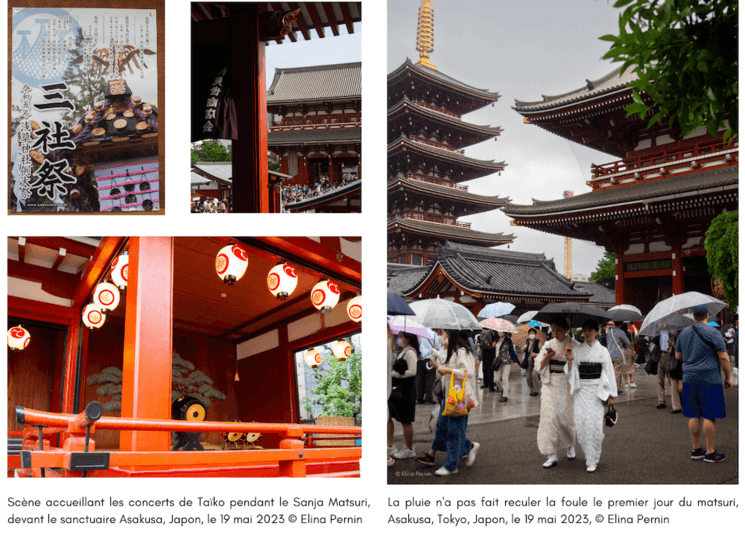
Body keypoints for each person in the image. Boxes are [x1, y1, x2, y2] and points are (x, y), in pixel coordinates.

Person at [415, 329, 479, 476]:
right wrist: (439, 364)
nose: (440, 335)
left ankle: (451, 466)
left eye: (442, 332)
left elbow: (467, 373)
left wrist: (447, 370)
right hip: (448, 396)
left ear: (451, 334)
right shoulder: (452, 351)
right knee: (442, 427)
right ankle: (469, 446)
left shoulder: (462, 351)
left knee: (454, 431)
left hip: (459, 398)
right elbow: (447, 370)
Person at [675, 305, 732, 463]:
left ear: (693, 315)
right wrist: (728, 377)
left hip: (689, 379)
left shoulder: (684, 333)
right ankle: (710, 452)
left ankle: (695, 449)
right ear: (707, 315)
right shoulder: (713, 332)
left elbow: (678, 355)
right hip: (710, 379)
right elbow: (724, 357)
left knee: (693, 414)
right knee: (709, 415)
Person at [565, 319, 617, 472]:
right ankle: (588, 453)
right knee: (581, 424)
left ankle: (592, 459)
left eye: (590, 330)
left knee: (594, 426)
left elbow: (609, 373)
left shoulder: (603, 351)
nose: (587, 333)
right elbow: (569, 371)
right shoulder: (577, 350)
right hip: (581, 391)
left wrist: (611, 395)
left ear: (596, 331)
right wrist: (569, 358)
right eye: (585, 330)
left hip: (597, 392)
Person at [536, 316, 579, 468]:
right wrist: (547, 357)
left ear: (566, 329)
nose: (554, 333)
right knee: (549, 419)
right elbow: (539, 366)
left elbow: (578, 370)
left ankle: (570, 444)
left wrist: (570, 358)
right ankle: (551, 454)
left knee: (565, 419)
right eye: (552, 329)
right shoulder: (548, 344)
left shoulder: (574, 345)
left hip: (566, 385)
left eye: (558, 330)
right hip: (549, 383)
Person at [388, 331, 419, 460]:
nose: (398, 339)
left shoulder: (410, 352)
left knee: (406, 420)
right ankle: (389, 445)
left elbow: (412, 372)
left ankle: (409, 448)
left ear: (407, 339)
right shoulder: (402, 351)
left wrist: (394, 374)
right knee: (388, 416)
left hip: (406, 390)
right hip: (397, 390)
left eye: (401, 336)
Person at [654, 328, 681, 412]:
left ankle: (678, 401)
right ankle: (661, 401)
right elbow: (655, 341)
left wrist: (672, 345)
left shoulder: (672, 331)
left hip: (669, 356)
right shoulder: (658, 332)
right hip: (660, 355)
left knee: (672, 380)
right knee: (660, 380)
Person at [607, 321, 634, 392]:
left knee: (611, 372)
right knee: (617, 372)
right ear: (621, 324)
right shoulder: (621, 332)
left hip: (609, 354)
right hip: (617, 354)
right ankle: (616, 389)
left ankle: (611, 387)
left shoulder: (609, 331)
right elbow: (628, 343)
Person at [494, 330, 516, 402]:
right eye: (499, 331)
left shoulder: (508, 340)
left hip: (506, 361)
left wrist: (515, 361)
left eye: (501, 331)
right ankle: (503, 389)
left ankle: (505, 396)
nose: (499, 332)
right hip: (497, 362)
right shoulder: (496, 339)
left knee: (505, 379)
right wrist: (492, 345)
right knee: (496, 380)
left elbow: (512, 350)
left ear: (505, 332)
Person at [416, 335, 437, 405]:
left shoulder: (419, 334)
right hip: (430, 359)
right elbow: (438, 346)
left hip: (420, 359)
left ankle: (419, 398)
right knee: (430, 379)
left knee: (420, 379)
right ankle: (428, 398)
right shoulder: (433, 334)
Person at [524, 328, 542, 396]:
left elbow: (542, 352)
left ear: (535, 334)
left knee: (534, 375)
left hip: (535, 362)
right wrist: (524, 348)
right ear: (528, 334)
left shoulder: (538, 341)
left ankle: (536, 390)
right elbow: (523, 350)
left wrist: (536, 354)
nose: (532, 335)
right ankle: (531, 390)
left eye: (533, 333)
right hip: (528, 362)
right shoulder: (526, 341)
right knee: (528, 377)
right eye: (530, 333)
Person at [481, 328, 497, 392]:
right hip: (491, 352)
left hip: (484, 351)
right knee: (490, 369)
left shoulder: (483, 331)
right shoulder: (495, 333)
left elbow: (480, 341)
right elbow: (494, 343)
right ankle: (491, 387)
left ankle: (485, 383)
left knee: (485, 368)